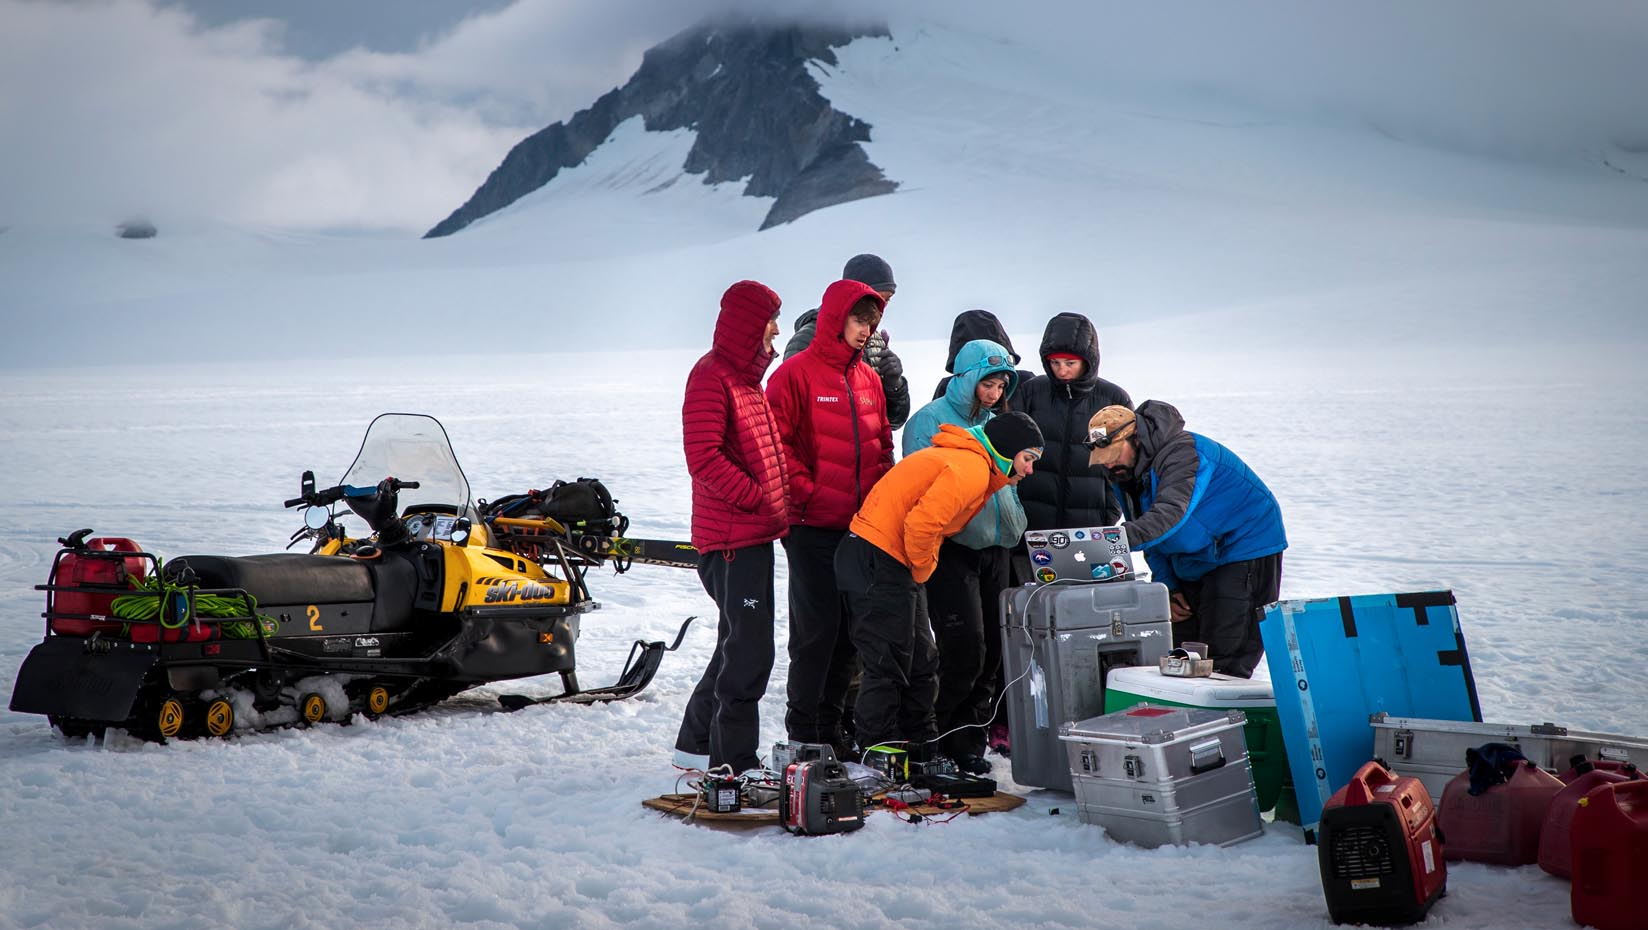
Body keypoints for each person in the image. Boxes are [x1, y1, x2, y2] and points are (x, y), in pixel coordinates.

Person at [835, 412, 1044, 759]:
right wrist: (922, 572)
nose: (1029, 470)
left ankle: (920, 750)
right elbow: (921, 526)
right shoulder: (970, 470)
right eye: (1027, 459)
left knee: (922, 658)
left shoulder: (972, 464)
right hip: (878, 557)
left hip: (888, 558)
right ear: (1006, 452)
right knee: (890, 660)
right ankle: (878, 753)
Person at [766, 279, 894, 759]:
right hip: (810, 526)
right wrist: (810, 493)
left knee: (849, 633)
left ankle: (836, 724)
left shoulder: (869, 380)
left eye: (873, 323)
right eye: (860, 320)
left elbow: (882, 445)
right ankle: (805, 728)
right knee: (816, 631)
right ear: (836, 318)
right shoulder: (794, 375)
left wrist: (882, 501)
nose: (866, 331)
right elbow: (776, 447)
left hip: (859, 529)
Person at [673, 280, 789, 774]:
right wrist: (756, 497)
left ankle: (697, 743)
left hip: (753, 535)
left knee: (738, 641)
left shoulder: (746, 380)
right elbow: (704, 457)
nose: (777, 332)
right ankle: (733, 761)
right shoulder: (711, 377)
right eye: (769, 322)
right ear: (747, 324)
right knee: (749, 650)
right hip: (731, 539)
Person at [1088, 401, 1287, 678]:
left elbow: (1168, 515)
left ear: (1136, 439)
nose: (1109, 463)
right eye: (1102, 457)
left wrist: (1107, 544)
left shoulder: (1183, 453)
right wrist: (1168, 584)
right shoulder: (1123, 472)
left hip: (1243, 547)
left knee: (1225, 656)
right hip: (1191, 554)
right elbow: (1148, 532)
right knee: (1182, 654)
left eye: (1113, 453)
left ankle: (1225, 715)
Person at [903, 339, 1026, 773]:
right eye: (987, 383)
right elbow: (923, 487)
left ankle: (968, 743)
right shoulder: (929, 422)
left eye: (1000, 385)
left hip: (998, 549)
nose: (993, 393)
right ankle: (934, 736)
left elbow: (1009, 481)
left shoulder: (997, 423)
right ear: (967, 377)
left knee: (994, 649)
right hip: (953, 550)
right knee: (964, 648)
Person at [1017, 312, 1133, 534]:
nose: (1062, 370)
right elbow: (1011, 451)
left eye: (1070, 363)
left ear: (1088, 360)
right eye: (1055, 362)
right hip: (1031, 525)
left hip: (1091, 524)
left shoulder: (1113, 399)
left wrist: (1110, 513)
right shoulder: (1031, 392)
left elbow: (1127, 466)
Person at [783, 253, 911, 429]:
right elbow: (793, 419)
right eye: (875, 298)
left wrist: (894, 385)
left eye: (886, 300)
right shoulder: (807, 340)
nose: (881, 308)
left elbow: (891, 422)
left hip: (869, 454)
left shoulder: (873, 341)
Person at [930, 309, 1037, 410]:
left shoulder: (1026, 384)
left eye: (1001, 386)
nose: (994, 395)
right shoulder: (949, 388)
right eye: (987, 385)